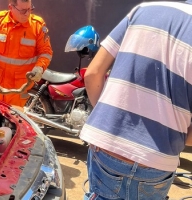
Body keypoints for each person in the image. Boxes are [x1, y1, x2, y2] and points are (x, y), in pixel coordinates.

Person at [80, 1, 192, 199]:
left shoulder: (142, 10)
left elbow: (93, 73)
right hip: (158, 161)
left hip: (107, 147)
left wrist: (109, 118)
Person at [0, 0, 53, 107]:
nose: (27, 14)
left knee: (15, 122)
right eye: (23, 10)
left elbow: (46, 52)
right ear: (11, 7)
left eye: (29, 9)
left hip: (19, 91)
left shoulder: (37, 26)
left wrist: (39, 68)